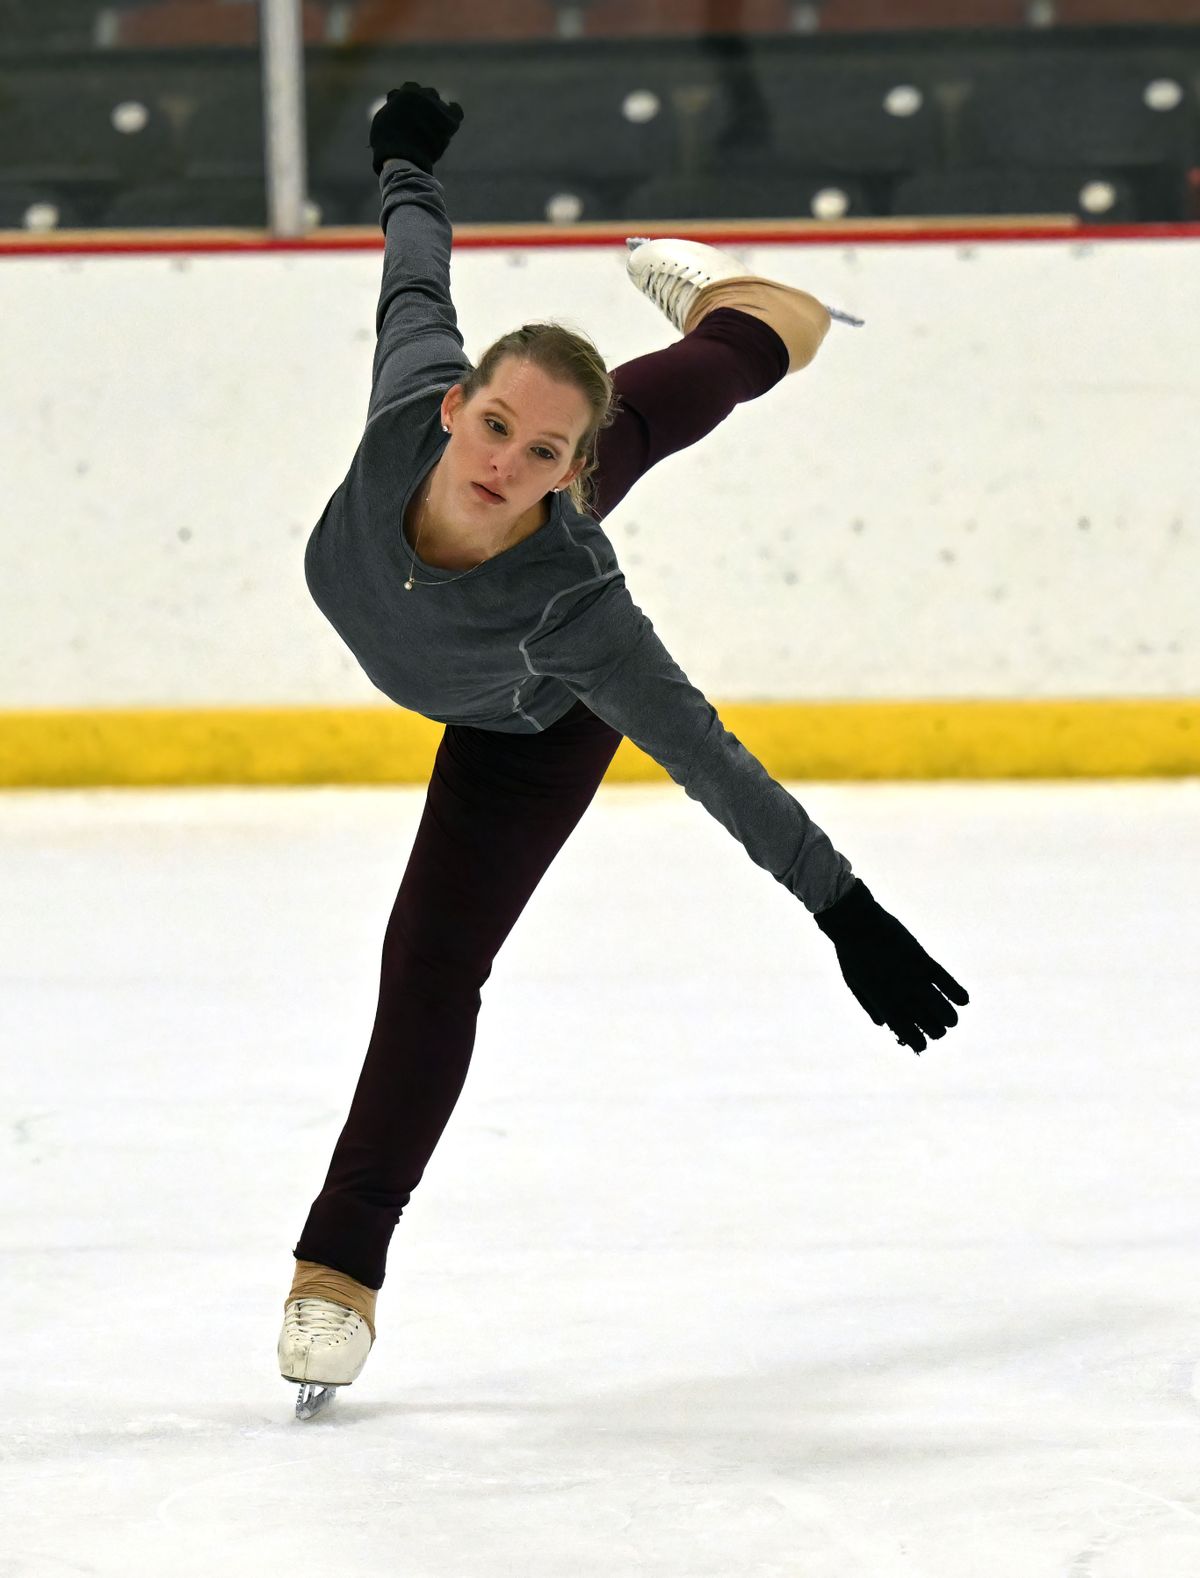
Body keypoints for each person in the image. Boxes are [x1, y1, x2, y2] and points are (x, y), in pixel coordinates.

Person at [278, 83, 969, 1416]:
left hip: (524, 723)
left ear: (562, 467)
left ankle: (338, 1269)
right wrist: (405, 159)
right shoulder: (407, 399)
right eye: (493, 426)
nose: (505, 460)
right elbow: (413, 271)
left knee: (431, 960)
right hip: (511, 558)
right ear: (449, 408)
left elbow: (710, 757)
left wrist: (847, 909)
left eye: (540, 451)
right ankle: (729, 319)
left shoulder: (579, 610)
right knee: (648, 406)